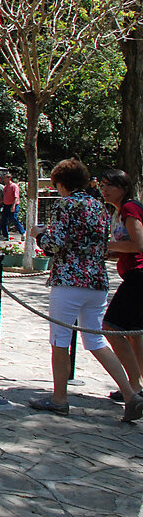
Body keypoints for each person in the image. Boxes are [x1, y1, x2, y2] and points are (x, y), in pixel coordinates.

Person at [27, 160, 143, 421]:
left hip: (69, 281)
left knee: (60, 339)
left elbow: (55, 244)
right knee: (95, 340)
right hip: (98, 281)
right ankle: (130, 394)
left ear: (60, 182)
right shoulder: (100, 208)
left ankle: (59, 398)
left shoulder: (65, 205)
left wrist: (38, 235)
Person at [99, 169, 143, 404]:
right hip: (133, 275)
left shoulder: (129, 209)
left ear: (123, 187)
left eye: (109, 186)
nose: (104, 190)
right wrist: (112, 252)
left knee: (111, 326)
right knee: (136, 335)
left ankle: (133, 386)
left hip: (138, 276)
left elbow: (138, 244)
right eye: (102, 185)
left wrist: (105, 245)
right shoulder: (119, 212)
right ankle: (137, 385)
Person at [0, 172, 25, 241]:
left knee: (14, 219)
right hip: (6, 205)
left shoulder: (14, 186)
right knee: (4, 220)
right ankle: (5, 235)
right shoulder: (6, 187)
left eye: (5, 178)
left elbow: (16, 197)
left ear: (9, 178)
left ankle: (22, 232)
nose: (4, 179)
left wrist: (13, 206)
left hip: (13, 205)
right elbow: (5, 197)